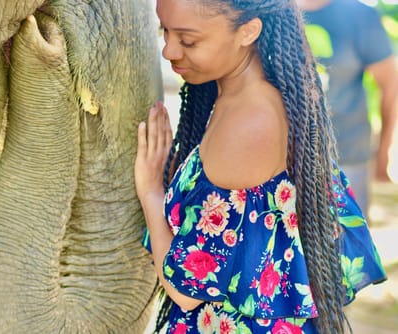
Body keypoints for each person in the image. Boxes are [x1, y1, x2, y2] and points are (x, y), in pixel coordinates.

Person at [134, 0, 387, 333]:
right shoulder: (238, 97)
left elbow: (185, 292)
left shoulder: (250, 122)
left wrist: (151, 190)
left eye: (188, 40)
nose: (168, 50)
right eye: (164, 31)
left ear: (248, 31)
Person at [296, 0, 398, 218]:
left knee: (347, 247)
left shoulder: (360, 15)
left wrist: (383, 152)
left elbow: (390, 86)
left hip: (347, 157)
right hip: (286, 158)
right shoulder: (273, 10)